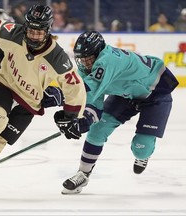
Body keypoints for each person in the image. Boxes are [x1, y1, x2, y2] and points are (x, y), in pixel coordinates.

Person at [0, 4, 86, 198]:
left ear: (48, 30)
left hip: (29, 103)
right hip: (5, 84)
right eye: (31, 31)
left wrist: (72, 116)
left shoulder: (57, 56)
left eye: (39, 33)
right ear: (25, 26)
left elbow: (75, 87)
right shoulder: (14, 32)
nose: (33, 37)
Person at [58, 31, 179, 194]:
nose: (85, 63)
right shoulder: (87, 68)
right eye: (82, 59)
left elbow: (90, 90)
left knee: (140, 148)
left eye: (89, 58)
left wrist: (71, 110)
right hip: (125, 95)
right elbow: (94, 100)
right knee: (97, 130)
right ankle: (83, 173)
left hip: (155, 94)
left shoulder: (108, 60)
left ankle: (143, 154)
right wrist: (85, 119)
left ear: (99, 52)